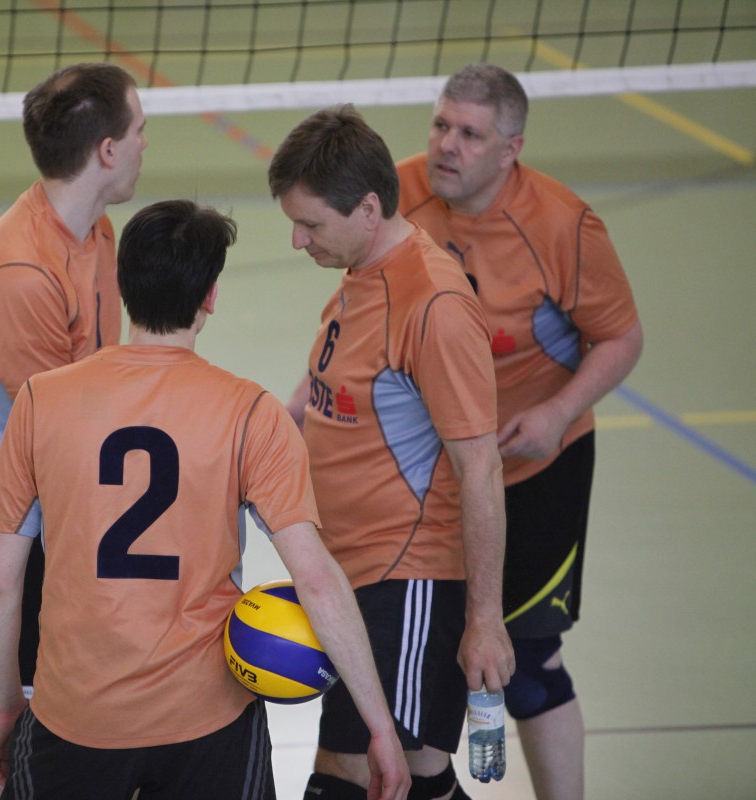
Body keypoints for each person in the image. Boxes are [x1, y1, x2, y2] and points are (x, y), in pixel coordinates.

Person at [0, 200, 411, 800]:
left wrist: (6, 707)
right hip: (209, 720)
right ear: (210, 296)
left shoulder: (39, 401)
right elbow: (315, 578)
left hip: (75, 716)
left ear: (122, 285)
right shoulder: (252, 413)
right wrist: (380, 727)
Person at [396, 63, 643, 800]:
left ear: (511, 149)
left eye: (470, 134)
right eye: (441, 124)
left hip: (536, 465)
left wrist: (558, 413)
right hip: (432, 468)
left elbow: (622, 337)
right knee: (424, 650)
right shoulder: (400, 194)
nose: (447, 145)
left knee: (528, 659)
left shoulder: (561, 225)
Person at [269, 105, 515, 800]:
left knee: (350, 775)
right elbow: (320, 395)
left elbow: (480, 467)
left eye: (311, 224)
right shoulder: (361, 274)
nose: (296, 240)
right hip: (349, 577)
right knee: (420, 776)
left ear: (368, 209)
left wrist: (484, 621)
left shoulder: (433, 305)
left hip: (405, 581)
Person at [0, 61, 147, 800]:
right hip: (9, 520)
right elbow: (59, 434)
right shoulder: (21, 273)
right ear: (107, 151)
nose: (145, 144)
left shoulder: (97, 233)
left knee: (79, 723)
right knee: (9, 728)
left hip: (65, 508)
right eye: (140, 131)